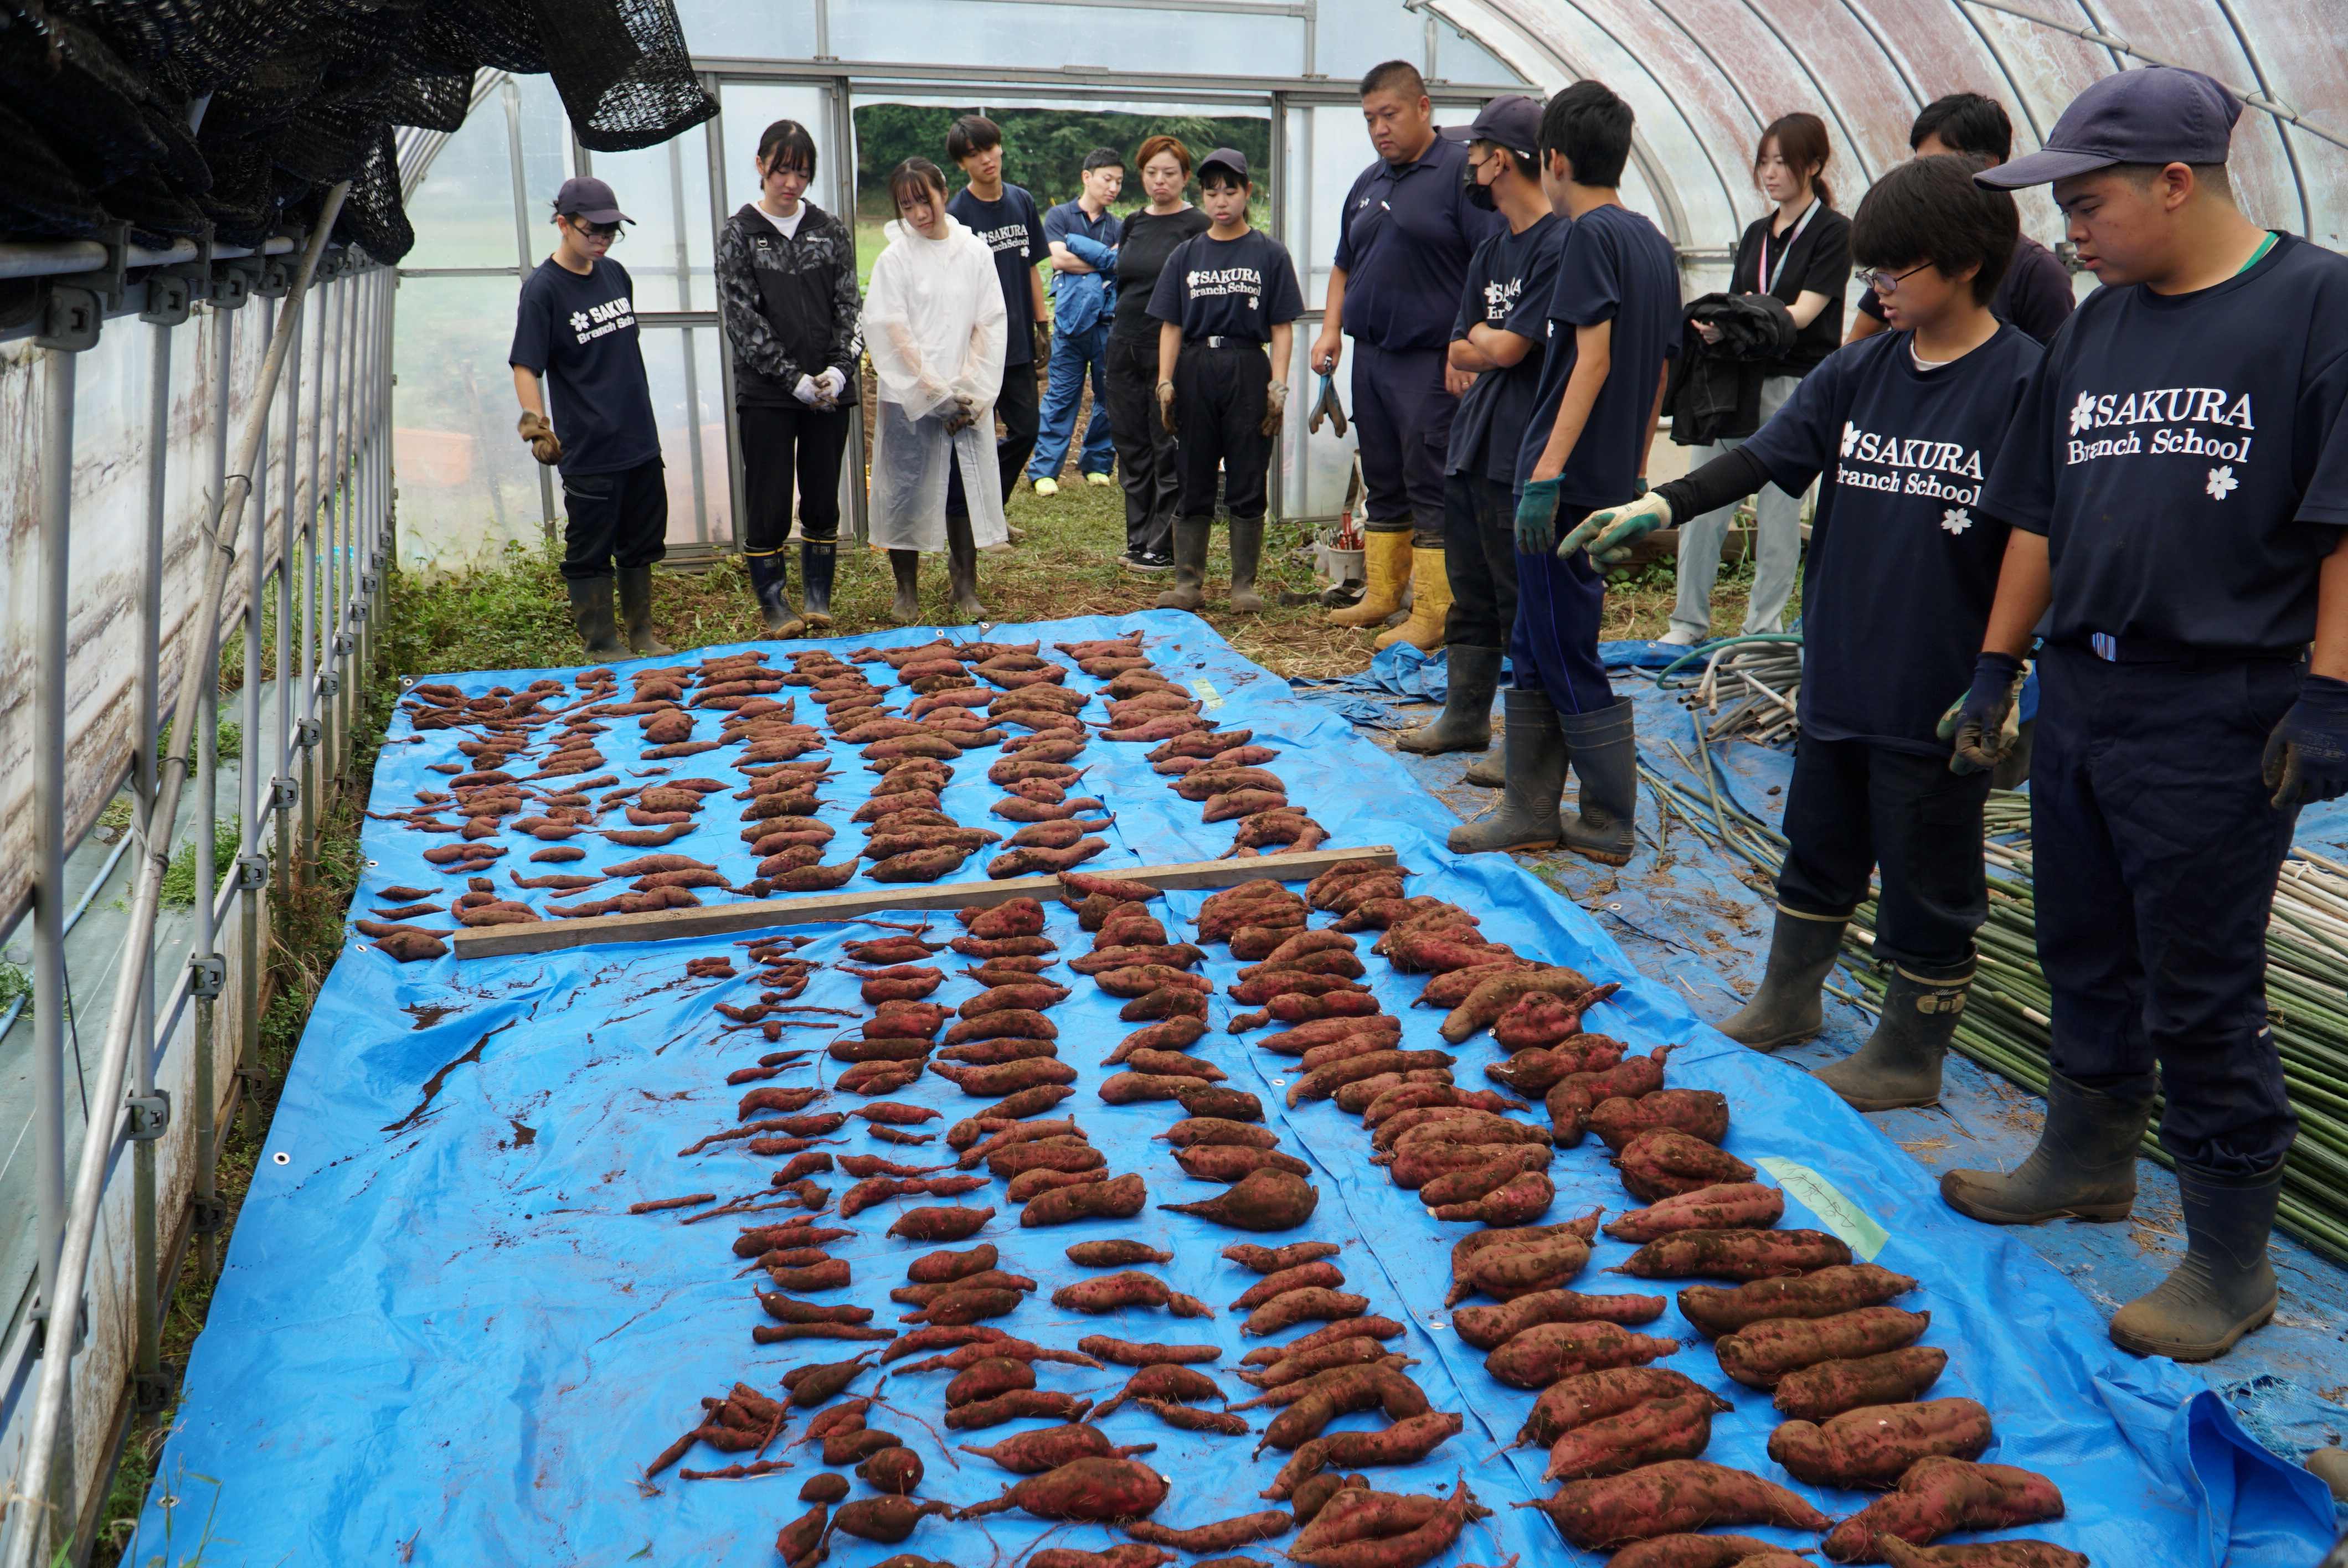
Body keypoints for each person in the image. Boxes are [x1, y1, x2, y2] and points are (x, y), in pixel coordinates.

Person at [1935, 67, 2348, 1364]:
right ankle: (2084, 1151)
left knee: (2202, 985)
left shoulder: (2313, 305)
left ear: (2176, 182)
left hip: (2216, 698)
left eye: (2088, 199)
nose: (2068, 228)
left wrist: (2329, 696)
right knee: (2078, 937)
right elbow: (2038, 514)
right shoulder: (2094, 327)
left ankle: (2228, 1259)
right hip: (2084, 684)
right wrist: (1998, 668)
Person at [1569, 156, 2040, 1110]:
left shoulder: (2025, 383)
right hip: (1842, 667)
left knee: (1926, 873)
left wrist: (2002, 671)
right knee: (1817, 840)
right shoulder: (1861, 370)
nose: (1875, 292)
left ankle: (1909, 1053)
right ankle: (1789, 998)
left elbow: (2046, 540)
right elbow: (1763, 458)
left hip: (1939, 686)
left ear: (1958, 264)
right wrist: (1658, 502)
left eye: (1893, 272)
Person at [1449, 80, 1677, 866]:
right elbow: (1656, 375)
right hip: (1608, 477)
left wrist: (1544, 474)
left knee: (1554, 645)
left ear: (1554, 160)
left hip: (1564, 481)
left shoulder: (1586, 236)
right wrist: (1637, 474)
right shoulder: (1649, 239)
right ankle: (1538, 805)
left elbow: (1596, 357)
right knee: (1552, 639)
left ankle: (1595, 815)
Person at [1398, 94, 1563, 771]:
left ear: (1501, 160)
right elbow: (1461, 346)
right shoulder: (1492, 246)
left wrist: (1486, 345)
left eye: (1474, 151)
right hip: (1473, 440)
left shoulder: (1560, 244)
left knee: (1516, 594)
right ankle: (1465, 718)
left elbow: (1510, 351)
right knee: (1470, 586)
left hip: (1521, 444)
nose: (1465, 162)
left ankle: (1525, 742)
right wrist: (1484, 345)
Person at [1316, 60, 1506, 647]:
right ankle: (1381, 594)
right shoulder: (1370, 182)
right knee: (1381, 474)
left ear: (1423, 107)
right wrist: (1329, 332)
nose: (1379, 128)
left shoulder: (1459, 175)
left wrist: (1465, 342)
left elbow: (1489, 263)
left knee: (1432, 480)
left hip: (1431, 360)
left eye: (1389, 115)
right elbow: (1344, 263)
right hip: (1371, 355)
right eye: (1370, 118)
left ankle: (1434, 612)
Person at [1665, 112, 1852, 648]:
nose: (1770, 174)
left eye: (1781, 162)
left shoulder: (1833, 233)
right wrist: (1722, 324)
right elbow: (1739, 305)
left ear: (1812, 166)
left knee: (1778, 512)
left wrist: (1745, 318)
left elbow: (1804, 313)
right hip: (1738, 383)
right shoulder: (1755, 233)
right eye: (1763, 162)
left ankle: (1761, 629)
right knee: (1703, 499)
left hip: (1794, 386)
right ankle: (1686, 622)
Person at [509, 175, 671, 657]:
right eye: (592, 230)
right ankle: (602, 643)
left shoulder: (616, 275)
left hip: (638, 437)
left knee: (641, 543)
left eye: (610, 232)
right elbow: (526, 364)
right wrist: (535, 423)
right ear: (563, 224)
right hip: (590, 446)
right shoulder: (543, 290)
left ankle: (642, 633)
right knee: (590, 549)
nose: (601, 240)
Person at [714, 118, 861, 637]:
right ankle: (775, 604)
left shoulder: (829, 229)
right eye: (781, 171)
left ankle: (818, 596)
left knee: (822, 495)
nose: (791, 184)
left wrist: (839, 372)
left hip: (829, 390)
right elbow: (742, 318)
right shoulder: (739, 234)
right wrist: (791, 378)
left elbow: (849, 303)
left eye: (802, 173)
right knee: (770, 496)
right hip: (767, 394)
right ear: (760, 166)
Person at [1147, 147, 1302, 615]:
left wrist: (1277, 386)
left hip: (1246, 366)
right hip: (1196, 366)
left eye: (1231, 190)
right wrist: (1164, 382)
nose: (1221, 200)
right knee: (1193, 473)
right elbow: (1171, 324)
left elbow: (1281, 327)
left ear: (1247, 192)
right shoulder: (1186, 255)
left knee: (1247, 471)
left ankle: (1243, 586)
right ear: (1203, 195)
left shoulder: (1270, 253)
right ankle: (1188, 583)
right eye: (1212, 191)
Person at [862, 157, 1009, 622]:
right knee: (905, 487)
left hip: (965, 394)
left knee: (961, 490)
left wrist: (968, 390)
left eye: (924, 200)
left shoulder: (975, 252)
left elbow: (988, 322)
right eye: (907, 206)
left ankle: (964, 585)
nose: (919, 214)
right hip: (911, 394)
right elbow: (891, 328)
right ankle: (906, 590)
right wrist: (930, 390)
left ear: (943, 191)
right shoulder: (896, 258)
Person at [1847, 93, 2076, 347]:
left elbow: (2052, 374)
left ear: (1989, 166)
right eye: (1918, 165)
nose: (1921, 180)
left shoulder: (2037, 273)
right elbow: (1857, 341)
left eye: (1937, 165)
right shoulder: (1905, 254)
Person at [1105, 136, 1211, 572]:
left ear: (1186, 177)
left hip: (1170, 349)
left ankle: (1163, 542)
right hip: (1123, 343)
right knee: (1131, 443)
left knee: (1165, 442)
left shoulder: (1198, 224)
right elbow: (1125, 281)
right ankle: (1137, 536)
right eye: (1151, 172)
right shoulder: (1132, 222)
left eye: (1169, 173)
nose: (1160, 181)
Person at [946, 115, 1046, 505]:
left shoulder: (1022, 201)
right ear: (962, 164)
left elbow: (1031, 268)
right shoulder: (958, 214)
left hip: (1018, 342)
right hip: (978, 347)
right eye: (973, 155)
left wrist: (1042, 326)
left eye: (989, 148)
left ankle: (991, 509)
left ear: (1000, 146)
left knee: (1026, 431)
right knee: (974, 433)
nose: (986, 159)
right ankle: (970, 516)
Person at [1029, 147, 1124, 498]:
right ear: (1087, 177)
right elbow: (1057, 258)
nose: (1113, 188)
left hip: (1107, 323)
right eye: (1107, 179)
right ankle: (1044, 470)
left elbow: (1120, 265)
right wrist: (1103, 260)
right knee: (1061, 396)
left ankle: (1098, 464)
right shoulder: (1060, 215)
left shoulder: (1120, 225)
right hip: (1070, 325)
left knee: (1108, 395)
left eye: (1119, 182)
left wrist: (1080, 251)